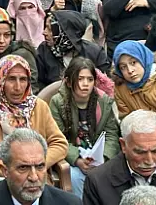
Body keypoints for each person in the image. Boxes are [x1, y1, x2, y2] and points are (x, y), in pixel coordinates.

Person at [0, 54, 68, 177]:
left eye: (23, 79)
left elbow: (60, 144)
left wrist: (37, 165)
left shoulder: (39, 107)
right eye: (11, 79)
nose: (18, 87)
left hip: (36, 178)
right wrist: (12, 172)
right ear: (0, 81)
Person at [49, 57, 120, 197]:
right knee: (74, 176)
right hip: (73, 158)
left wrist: (104, 158)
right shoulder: (58, 102)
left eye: (89, 79)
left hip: (100, 158)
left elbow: (112, 133)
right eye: (80, 79)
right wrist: (77, 159)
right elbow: (57, 138)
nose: (85, 84)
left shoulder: (103, 101)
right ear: (69, 82)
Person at [0, 128, 81, 205]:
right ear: (5, 171)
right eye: (23, 168)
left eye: (40, 166)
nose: (33, 177)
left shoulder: (70, 203)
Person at [37, 10, 110, 89]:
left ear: (65, 33)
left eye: (49, 29)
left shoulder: (95, 53)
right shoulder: (43, 51)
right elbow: (38, 84)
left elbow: (105, 85)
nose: (44, 32)